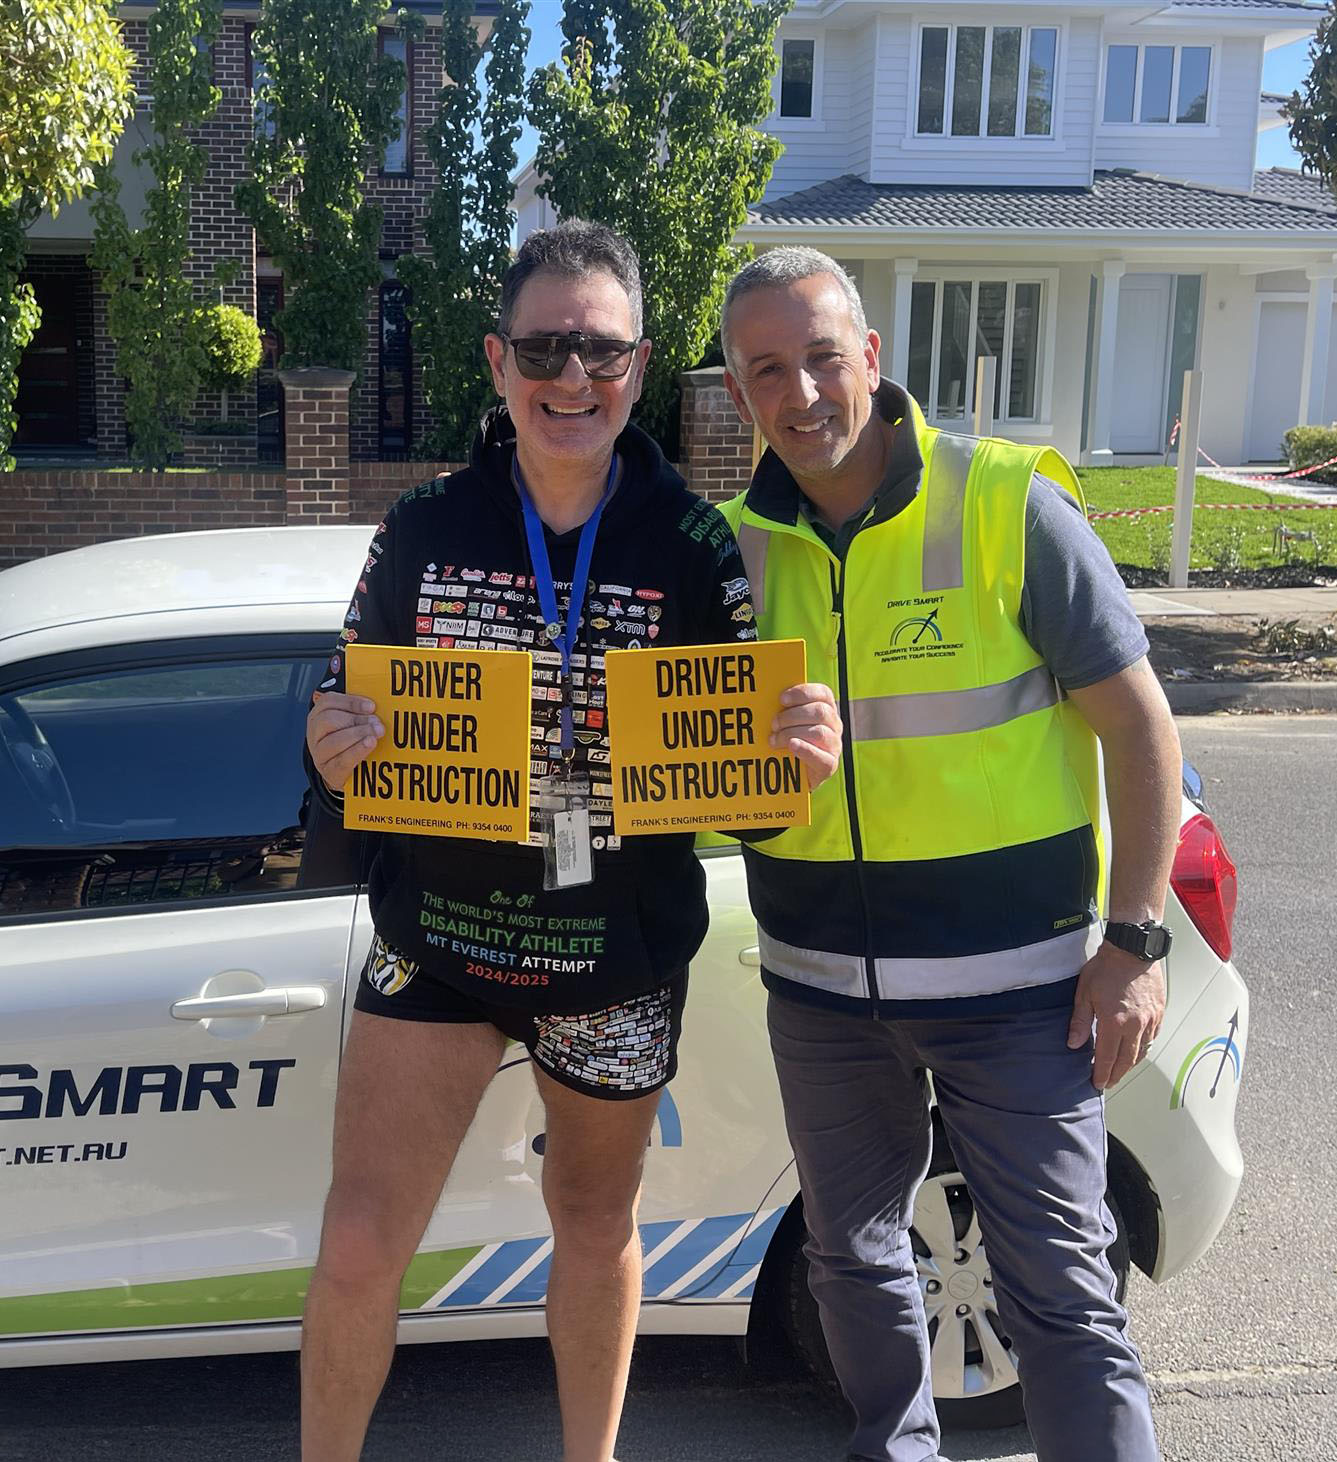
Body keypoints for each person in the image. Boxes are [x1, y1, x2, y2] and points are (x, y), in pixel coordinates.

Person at [300, 221, 840, 1462]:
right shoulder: (421, 528)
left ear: (638, 366)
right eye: (543, 348)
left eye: (599, 349)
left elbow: (746, 793)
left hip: (610, 956)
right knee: (359, 1238)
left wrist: (793, 758)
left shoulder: (692, 544)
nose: (571, 376)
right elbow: (340, 733)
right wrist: (328, 747)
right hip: (438, 939)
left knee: (593, 1227)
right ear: (498, 361)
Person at [717, 246, 1180, 1462]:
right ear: (736, 391)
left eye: (821, 357)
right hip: (820, 995)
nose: (800, 392)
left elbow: (1139, 728)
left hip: (1020, 997)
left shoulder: (1003, 502)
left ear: (869, 356)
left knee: (1061, 1294)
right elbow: (700, 787)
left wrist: (1134, 943)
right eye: (766, 370)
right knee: (851, 1264)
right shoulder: (727, 552)